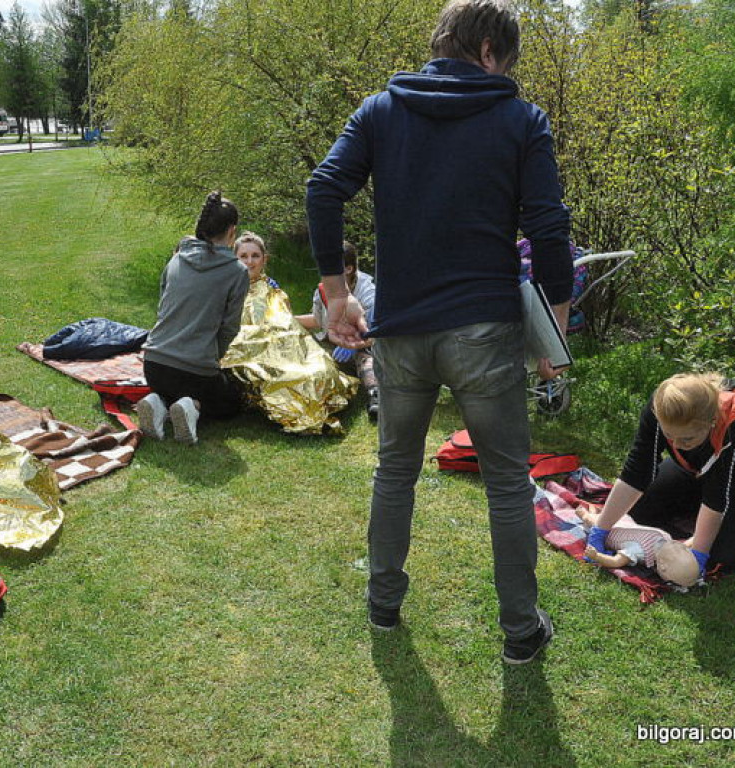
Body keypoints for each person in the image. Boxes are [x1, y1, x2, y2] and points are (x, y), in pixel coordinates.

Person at [305, 0, 573, 664]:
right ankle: (520, 632)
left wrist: (336, 296)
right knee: (509, 482)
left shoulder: (379, 111)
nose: (509, 72)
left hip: (400, 329)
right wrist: (555, 341)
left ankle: (383, 605)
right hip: (485, 331)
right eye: (507, 60)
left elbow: (323, 189)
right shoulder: (520, 120)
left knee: (395, 470)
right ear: (487, 50)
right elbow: (549, 230)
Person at [586, 373, 735, 579]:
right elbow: (638, 470)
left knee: (720, 554)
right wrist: (601, 529)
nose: (676, 445)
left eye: (687, 438)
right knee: (640, 512)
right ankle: (694, 511)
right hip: (694, 470)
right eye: (670, 436)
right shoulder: (663, 407)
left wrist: (698, 555)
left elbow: (718, 496)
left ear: (711, 422)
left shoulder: (730, 426)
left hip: (729, 479)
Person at [137, 192, 249, 445]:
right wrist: (213, 358)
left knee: (171, 386)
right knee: (231, 402)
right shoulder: (236, 271)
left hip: (153, 365)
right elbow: (229, 327)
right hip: (196, 371)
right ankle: (192, 406)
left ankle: (158, 402)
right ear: (232, 231)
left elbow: (162, 306)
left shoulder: (176, 259)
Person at [224, 232, 358, 433]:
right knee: (286, 379)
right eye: (243, 256)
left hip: (285, 347)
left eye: (255, 256)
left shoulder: (272, 289)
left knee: (320, 371)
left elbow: (288, 323)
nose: (249, 262)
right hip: (249, 351)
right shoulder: (227, 290)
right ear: (234, 259)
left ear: (264, 259)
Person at [295, 241, 381, 420]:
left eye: (330, 265)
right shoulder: (323, 290)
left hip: (364, 347)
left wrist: (354, 345)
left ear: (348, 269)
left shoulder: (368, 291)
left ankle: (376, 397)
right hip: (332, 343)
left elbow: (377, 333)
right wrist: (287, 320)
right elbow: (317, 321)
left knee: (367, 361)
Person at [575, 505, 700, 588]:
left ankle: (595, 513)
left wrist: (695, 539)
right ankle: (584, 514)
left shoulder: (668, 541)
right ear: (662, 567)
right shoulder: (638, 551)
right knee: (592, 522)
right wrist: (596, 556)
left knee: (601, 518)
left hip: (626, 522)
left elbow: (686, 544)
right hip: (610, 531)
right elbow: (615, 562)